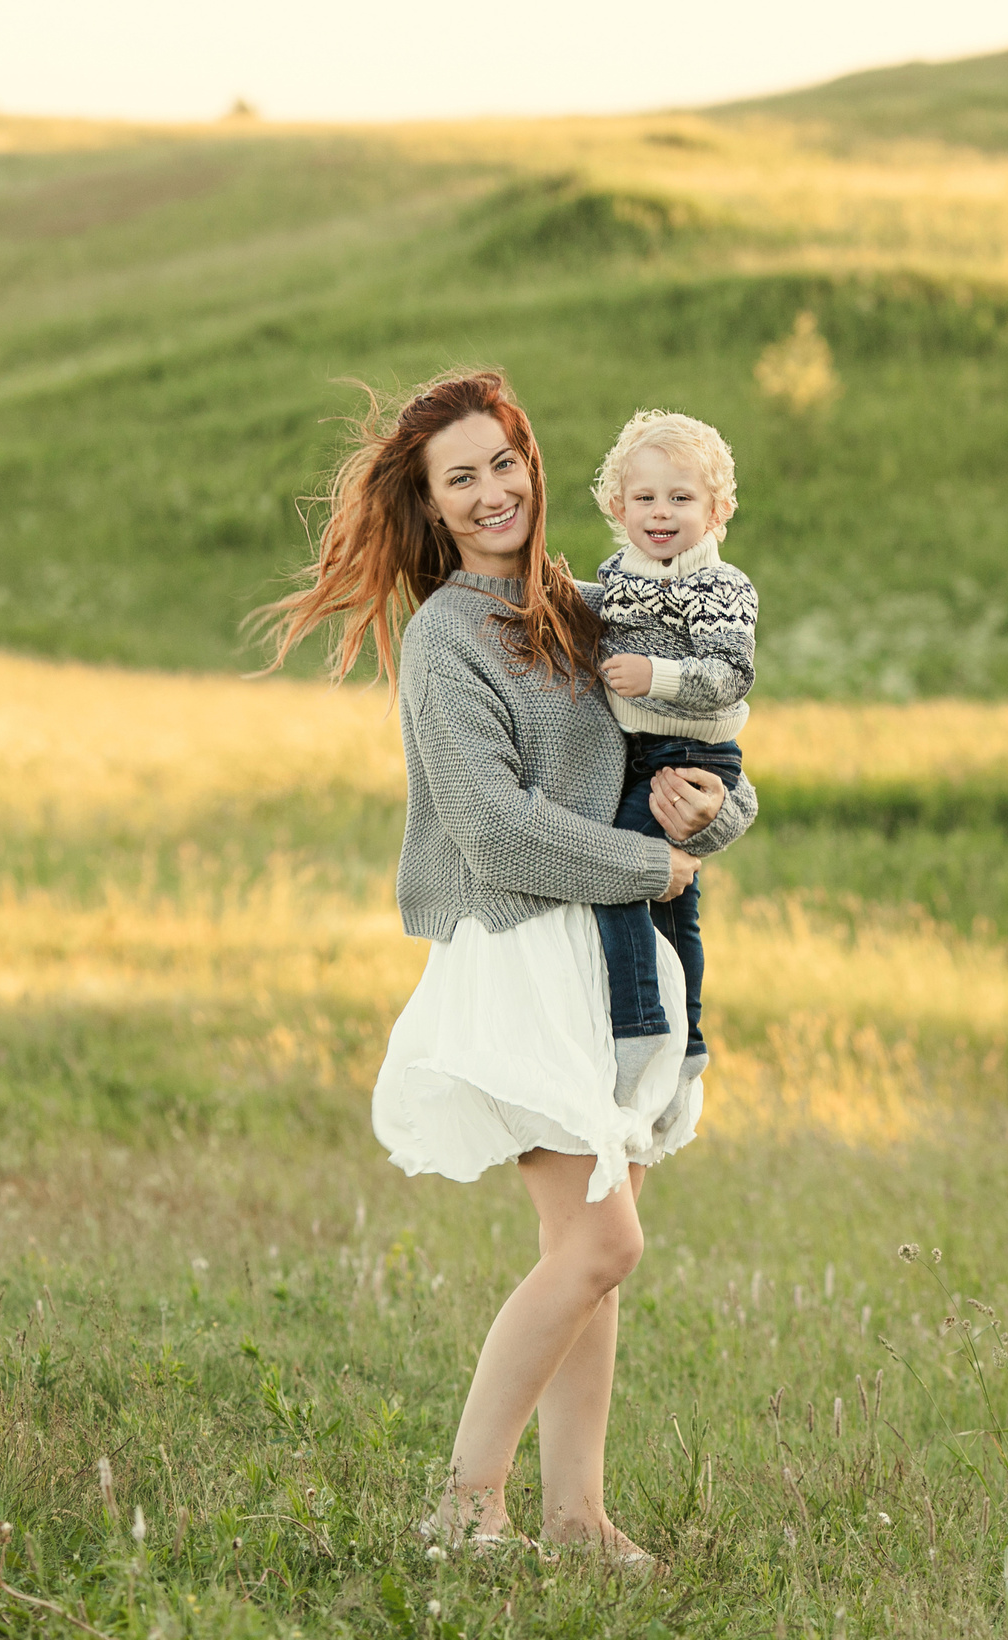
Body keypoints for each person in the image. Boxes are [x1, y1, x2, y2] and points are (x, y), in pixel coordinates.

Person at [256, 370, 756, 1568]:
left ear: (535, 464)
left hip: (609, 960)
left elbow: (704, 750)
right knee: (602, 1245)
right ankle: (464, 1502)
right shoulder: (444, 641)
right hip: (520, 952)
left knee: (589, 1253)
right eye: (459, 479)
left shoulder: (597, 607)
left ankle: (575, 1518)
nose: (491, 494)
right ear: (430, 509)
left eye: (502, 464)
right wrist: (651, 865)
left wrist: (713, 812)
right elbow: (493, 829)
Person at [585, 410, 756, 1104]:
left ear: (716, 511)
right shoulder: (620, 576)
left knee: (627, 869)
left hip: (692, 750)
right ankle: (688, 1040)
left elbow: (728, 673)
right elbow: (594, 615)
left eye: (681, 498)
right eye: (645, 498)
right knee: (675, 902)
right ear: (618, 506)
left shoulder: (720, 586)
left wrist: (652, 675)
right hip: (638, 749)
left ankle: (638, 1026)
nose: (661, 513)